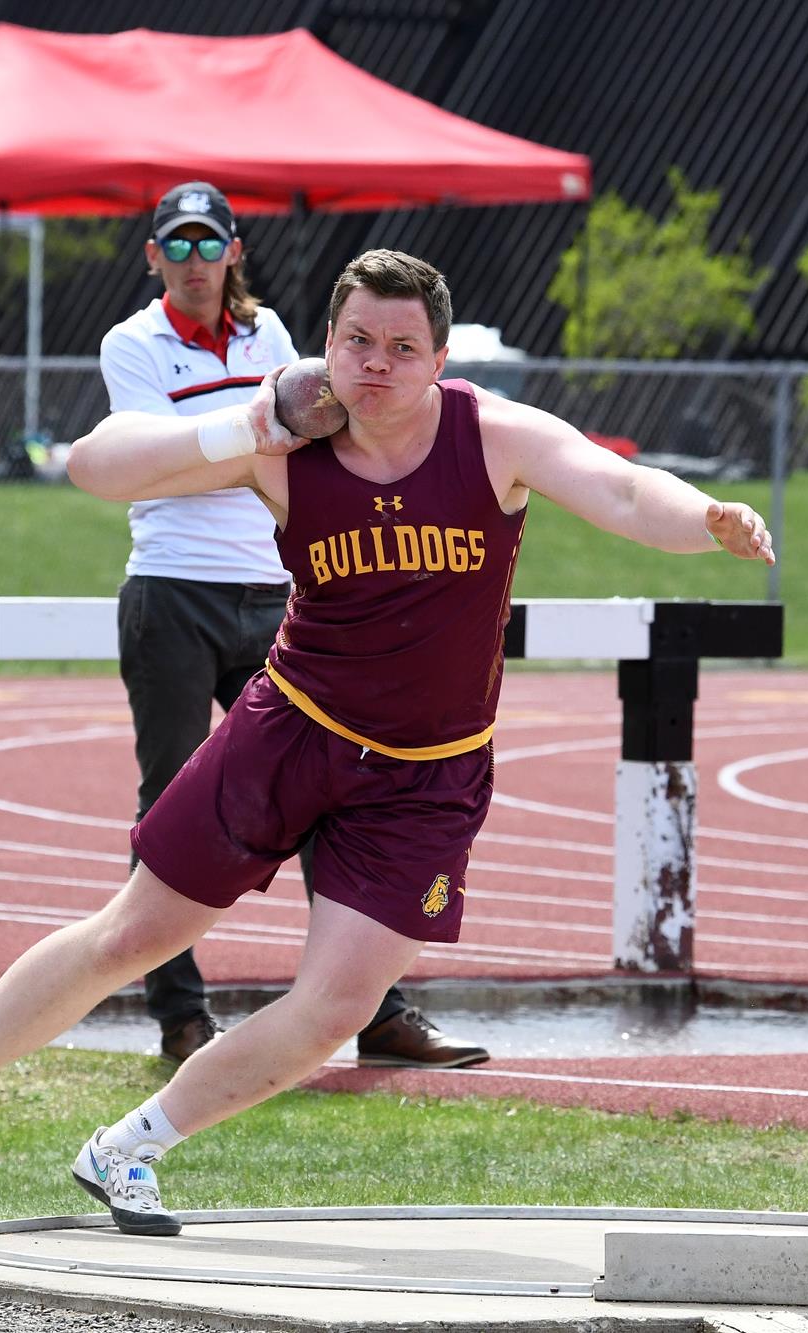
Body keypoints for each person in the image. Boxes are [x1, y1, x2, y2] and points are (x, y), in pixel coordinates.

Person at [0, 248, 774, 1236]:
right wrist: (245, 420)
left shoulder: (493, 435)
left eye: (401, 348)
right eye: (356, 341)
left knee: (335, 1007)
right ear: (324, 344)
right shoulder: (285, 438)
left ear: (439, 358)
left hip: (425, 774)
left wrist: (704, 519)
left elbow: (622, 493)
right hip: (291, 731)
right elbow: (94, 464)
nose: (376, 365)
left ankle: (129, 1147)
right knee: (133, 935)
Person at [103, 182, 490, 1069]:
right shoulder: (132, 342)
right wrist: (256, 430)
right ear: (154, 255)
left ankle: (374, 1008)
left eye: (211, 244)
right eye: (179, 245)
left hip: (279, 585)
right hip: (173, 586)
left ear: (235, 250)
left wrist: (268, 438)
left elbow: (305, 437)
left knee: (337, 782)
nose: (196, 261)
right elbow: (160, 455)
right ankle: (181, 1015)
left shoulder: (274, 335)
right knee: (171, 799)